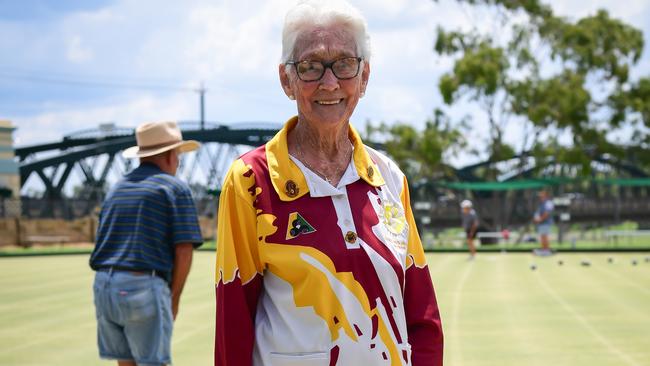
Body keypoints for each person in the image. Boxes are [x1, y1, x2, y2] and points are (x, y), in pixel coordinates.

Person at [215, 1, 443, 365]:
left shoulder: (389, 178)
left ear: (364, 76)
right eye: (309, 67)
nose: (330, 82)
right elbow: (233, 320)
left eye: (344, 64)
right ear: (286, 80)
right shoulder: (250, 181)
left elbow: (422, 316)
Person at [89, 121, 204, 366]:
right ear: (171, 155)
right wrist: (174, 300)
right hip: (142, 286)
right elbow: (184, 250)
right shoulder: (174, 188)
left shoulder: (116, 188)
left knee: (125, 363)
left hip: (104, 287)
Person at [533, 190, 554, 256]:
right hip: (542, 223)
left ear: (546, 196)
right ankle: (544, 250)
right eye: (540, 196)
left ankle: (547, 251)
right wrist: (537, 219)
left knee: (545, 237)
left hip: (546, 223)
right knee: (542, 237)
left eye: (542, 196)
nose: (540, 197)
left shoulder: (548, 203)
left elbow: (547, 213)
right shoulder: (541, 203)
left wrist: (540, 219)